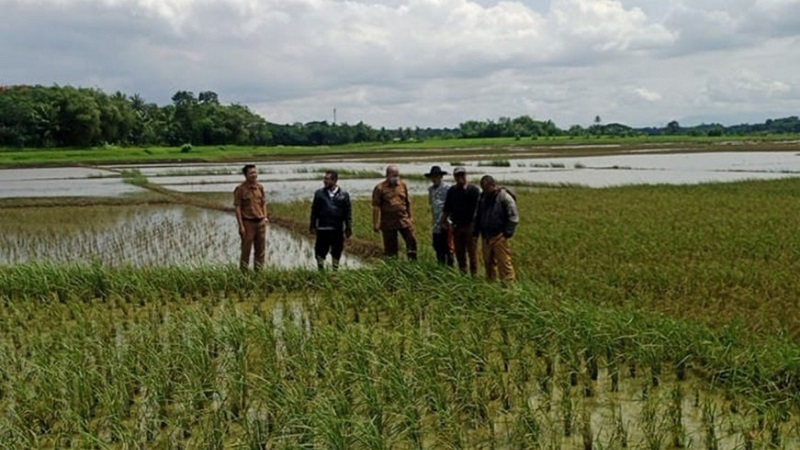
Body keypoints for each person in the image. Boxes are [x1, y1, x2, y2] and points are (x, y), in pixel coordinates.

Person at [474, 175, 519, 282]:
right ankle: (491, 285)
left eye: (487, 188)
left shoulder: (504, 197)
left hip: (499, 236)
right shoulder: (482, 197)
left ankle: (509, 287)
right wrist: (476, 231)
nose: (486, 191)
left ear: (493, 185)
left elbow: (514, 217)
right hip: (486, 237)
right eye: (483, 188)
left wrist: (506, 234)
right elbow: (477, 215)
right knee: (488, 263)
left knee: (504, 264)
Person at [310, 170, 352, 271]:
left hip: (337, 229)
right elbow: (314, 211)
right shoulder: (319, 194)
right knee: (320, 251)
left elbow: (348, 213)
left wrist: (348, 227)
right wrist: (312, 225)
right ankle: (321, 270)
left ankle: (335, 270)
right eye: (324, 179)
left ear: (335, 180)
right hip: (323, 228)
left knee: (337, 250)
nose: (325, 181)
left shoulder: (344, 195)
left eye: (327, 179)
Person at [441, 167, 481, 275]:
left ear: (465, 175)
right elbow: (447, 208)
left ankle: (474, 278)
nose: (460, 177)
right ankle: (463, 276)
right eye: (457, 175)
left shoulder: (474, 190)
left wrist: (478, 226)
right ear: (454, 177)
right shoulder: (452, 191)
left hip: (470, 227)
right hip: (457, 227)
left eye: (462, 175)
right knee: (459, 254)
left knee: (472, 254)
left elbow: (480, 209)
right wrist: (443, 221)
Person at [372, 164, 417, 260]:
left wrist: (411, 218)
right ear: (387, 175)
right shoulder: (380, 188)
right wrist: (376, 224)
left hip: (403, 220)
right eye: (394, 175)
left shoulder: (402, 185)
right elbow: (376, 206)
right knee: (390, 248)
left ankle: (413, 264)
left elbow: (408, 202)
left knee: (411, 241)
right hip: (388, 223)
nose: (396, 178)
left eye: (397, 175)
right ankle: (393, 267)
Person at [234, 164, 268, 271]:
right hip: (248, 223)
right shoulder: (240, 189)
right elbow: (237, 207)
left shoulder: (260, 187)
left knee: (260, 251)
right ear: (246, 175)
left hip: (260, 222)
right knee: (246, 251)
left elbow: (263, 203)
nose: (254, 175)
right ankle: (243, 276)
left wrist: (265, 217)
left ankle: (259, 275)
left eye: (255, 172)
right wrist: (241, 226)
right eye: (251, 173)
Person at [425, 166, 454, 266]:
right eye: (433, 177)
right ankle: (441, 269)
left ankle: (450, 270)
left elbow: (451, 207)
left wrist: (446, 220)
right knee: (438, 248)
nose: (435, 179)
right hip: (436, 225)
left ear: (441, 177)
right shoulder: (430, 190)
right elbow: (432, 205)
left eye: (437, 176)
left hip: (447, 224)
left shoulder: (448, 188)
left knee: (449, 249)